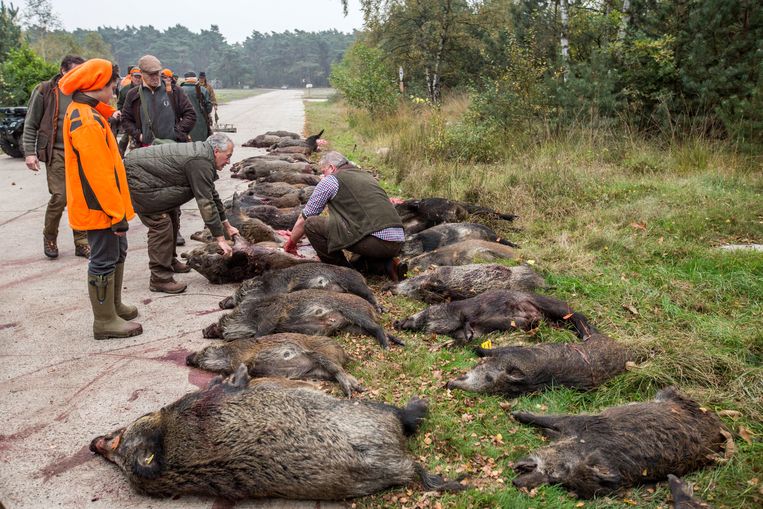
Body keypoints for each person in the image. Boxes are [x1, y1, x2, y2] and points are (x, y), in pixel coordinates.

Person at [58, 58, 143, 340]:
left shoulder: (90, 113)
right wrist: (115, 214)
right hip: (100, 207)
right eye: (112, 83)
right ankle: (104, 320)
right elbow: (98, 174)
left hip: (107, 204)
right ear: (98, 86)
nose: (115, 87)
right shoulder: (85, 120)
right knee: (103, 259)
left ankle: (114, 306)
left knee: (117, 252)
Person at [123, 133, 239, 293]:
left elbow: (212, 194)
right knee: (161, 225)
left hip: (153, 180)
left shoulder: (204, 157)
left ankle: (169, 261)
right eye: (228, 156)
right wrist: (220, 239)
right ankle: (159, 278)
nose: (229, 162)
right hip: (141, 182)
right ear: (217, 151)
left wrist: (227, 226)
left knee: (172, 216)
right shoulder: (201, 161)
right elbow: (205, 202)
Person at [283, 151, 407, 281]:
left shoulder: (331, 180)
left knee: (312, 224)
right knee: (356, 257)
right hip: (397, 239)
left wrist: (290, 244)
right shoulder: (365, 175)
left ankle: (343, 272)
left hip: (376, 241)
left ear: (332, 168)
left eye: (324, 171)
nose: (322, 175)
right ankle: (387, 265)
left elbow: (305, 218)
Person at [22, 54, 91, 259]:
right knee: (60, 197)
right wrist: (29, 153)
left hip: (80, 152)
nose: (79, 75)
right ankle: (50, 237)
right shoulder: (45, 90)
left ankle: (81, 242)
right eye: (74, 71)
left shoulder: (83, 91)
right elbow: (31, 123)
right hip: (57, 152)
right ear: (63, 70)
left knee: (80, 198)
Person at [121, 55, 196, 147]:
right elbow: (125, 119)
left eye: (157, 73)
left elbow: (191, 114)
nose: (155, 77)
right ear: (141, 73)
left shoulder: (175, 91)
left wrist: (177, 133)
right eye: (150, 74)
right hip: (145, 149)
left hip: (172, 147)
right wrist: (139, 136)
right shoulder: (133, 94)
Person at [180, 71, 213, 142]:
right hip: (201, 124)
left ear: (185, 79)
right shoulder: (203, 90)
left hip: (183, 124)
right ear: (195, 79)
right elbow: (209, 108)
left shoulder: (179, 90)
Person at [116, 66, 141, 155]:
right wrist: (121, 112)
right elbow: (119, 103)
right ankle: (120, 152)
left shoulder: (145, 89)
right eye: (136, 76)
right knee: (127, 135)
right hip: (128, 118)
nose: (138, 79)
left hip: (140, 119)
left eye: (139, 77)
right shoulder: (125, 90)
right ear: (131, 76)